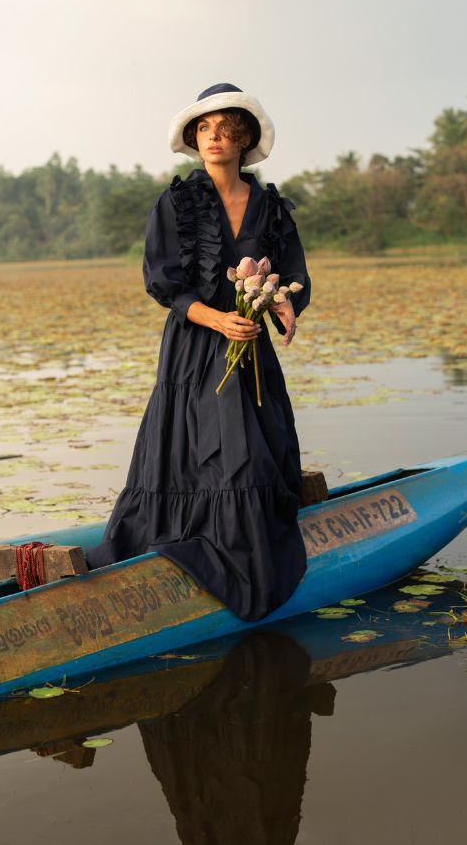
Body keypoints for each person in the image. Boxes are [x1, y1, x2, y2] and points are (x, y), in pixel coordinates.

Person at [85, 83, 311, 621]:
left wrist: (281, 304)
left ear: (244, 140)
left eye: (226, 129)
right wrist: (216, 319)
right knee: (199, 453)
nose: (214, 138)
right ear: (194, 139)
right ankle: (195, 543)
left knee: (253, 453)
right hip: (193, 346)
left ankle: (248, 543)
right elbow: (162, 282)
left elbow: (294, 272)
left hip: (249, 349)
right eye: (204, 129)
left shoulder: (270, 206)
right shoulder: (176, 203)